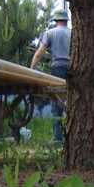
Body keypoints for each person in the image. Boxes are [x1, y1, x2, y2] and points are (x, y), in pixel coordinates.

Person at [29, 10, 71, 142]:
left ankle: (58, 139)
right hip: (73, 70)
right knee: (71, 102)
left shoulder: (50, 33)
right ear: (66, 20)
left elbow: (39, 53)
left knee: (56, 103)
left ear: (55, 20)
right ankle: (72, 137)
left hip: (57, 69)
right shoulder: (74, 33)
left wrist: (32, 69)